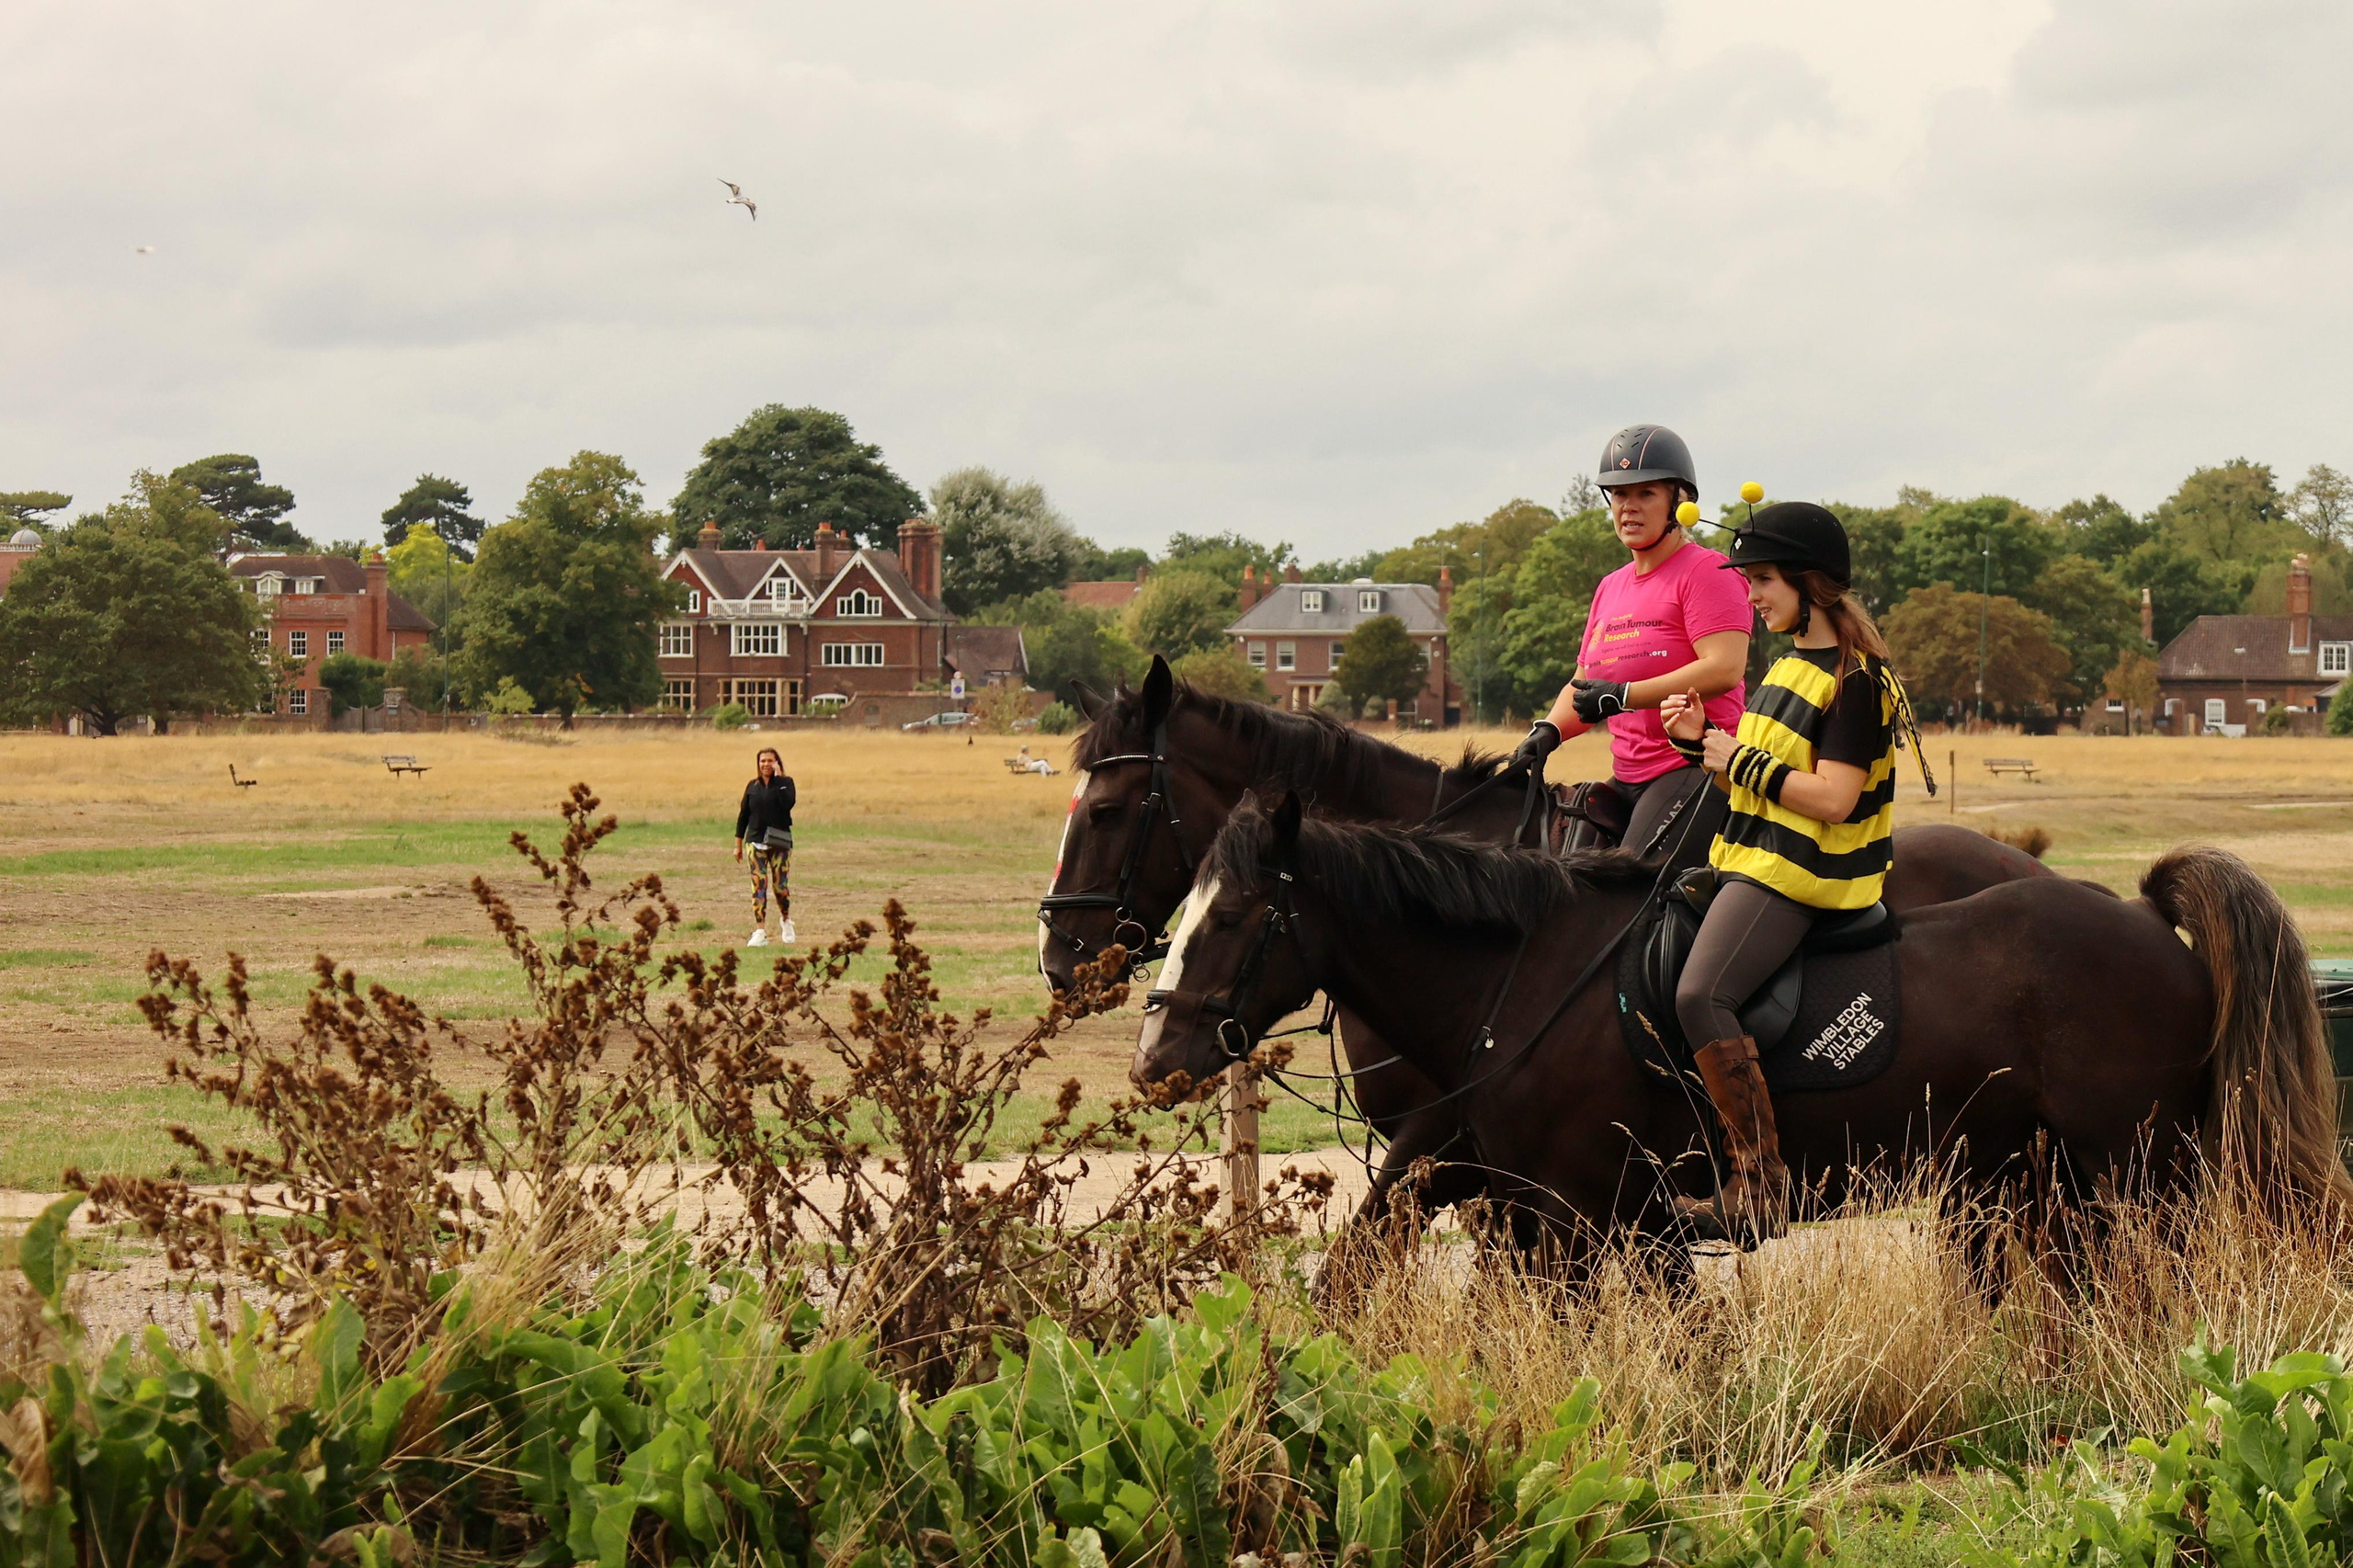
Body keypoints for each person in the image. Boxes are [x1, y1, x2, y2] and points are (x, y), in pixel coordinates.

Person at [1659, 501, 1920, 1240]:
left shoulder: (1856, 682)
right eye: (1751, 582)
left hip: (1809, 873)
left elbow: (1832, 800)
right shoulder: (1788, 667)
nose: (1754, 597)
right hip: (1756, 855)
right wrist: (1698, 743)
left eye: (1766, 580)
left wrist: (1734, 755)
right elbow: (1759, 782)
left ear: (1813, 584)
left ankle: (1760, 1181)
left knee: (1701, 995)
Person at [1510, 425, 1752, 857]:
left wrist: (1624, 695)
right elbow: (1585, 686)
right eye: (1620, 495)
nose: (1629, 508)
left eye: (1646, 494)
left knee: (1628, 891)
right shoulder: (1610, 587)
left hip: (1695, 766)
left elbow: (1723, 667)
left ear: (1680, 501)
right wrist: (1547, 731)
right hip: (1626, 777)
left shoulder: (1708, 572)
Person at [733, 746, 797, 947]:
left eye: (770, 761)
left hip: (779, 842)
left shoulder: (786, 784)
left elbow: (788, 804)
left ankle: (786, 921)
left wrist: (779, 779)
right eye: (763, 761)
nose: (766, 765)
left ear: (777, 763)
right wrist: (738, 844)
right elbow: (744, 815)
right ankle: (760, 931)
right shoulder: (753, 786)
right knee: (758, 887)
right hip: (755, 841)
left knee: (780, 887)